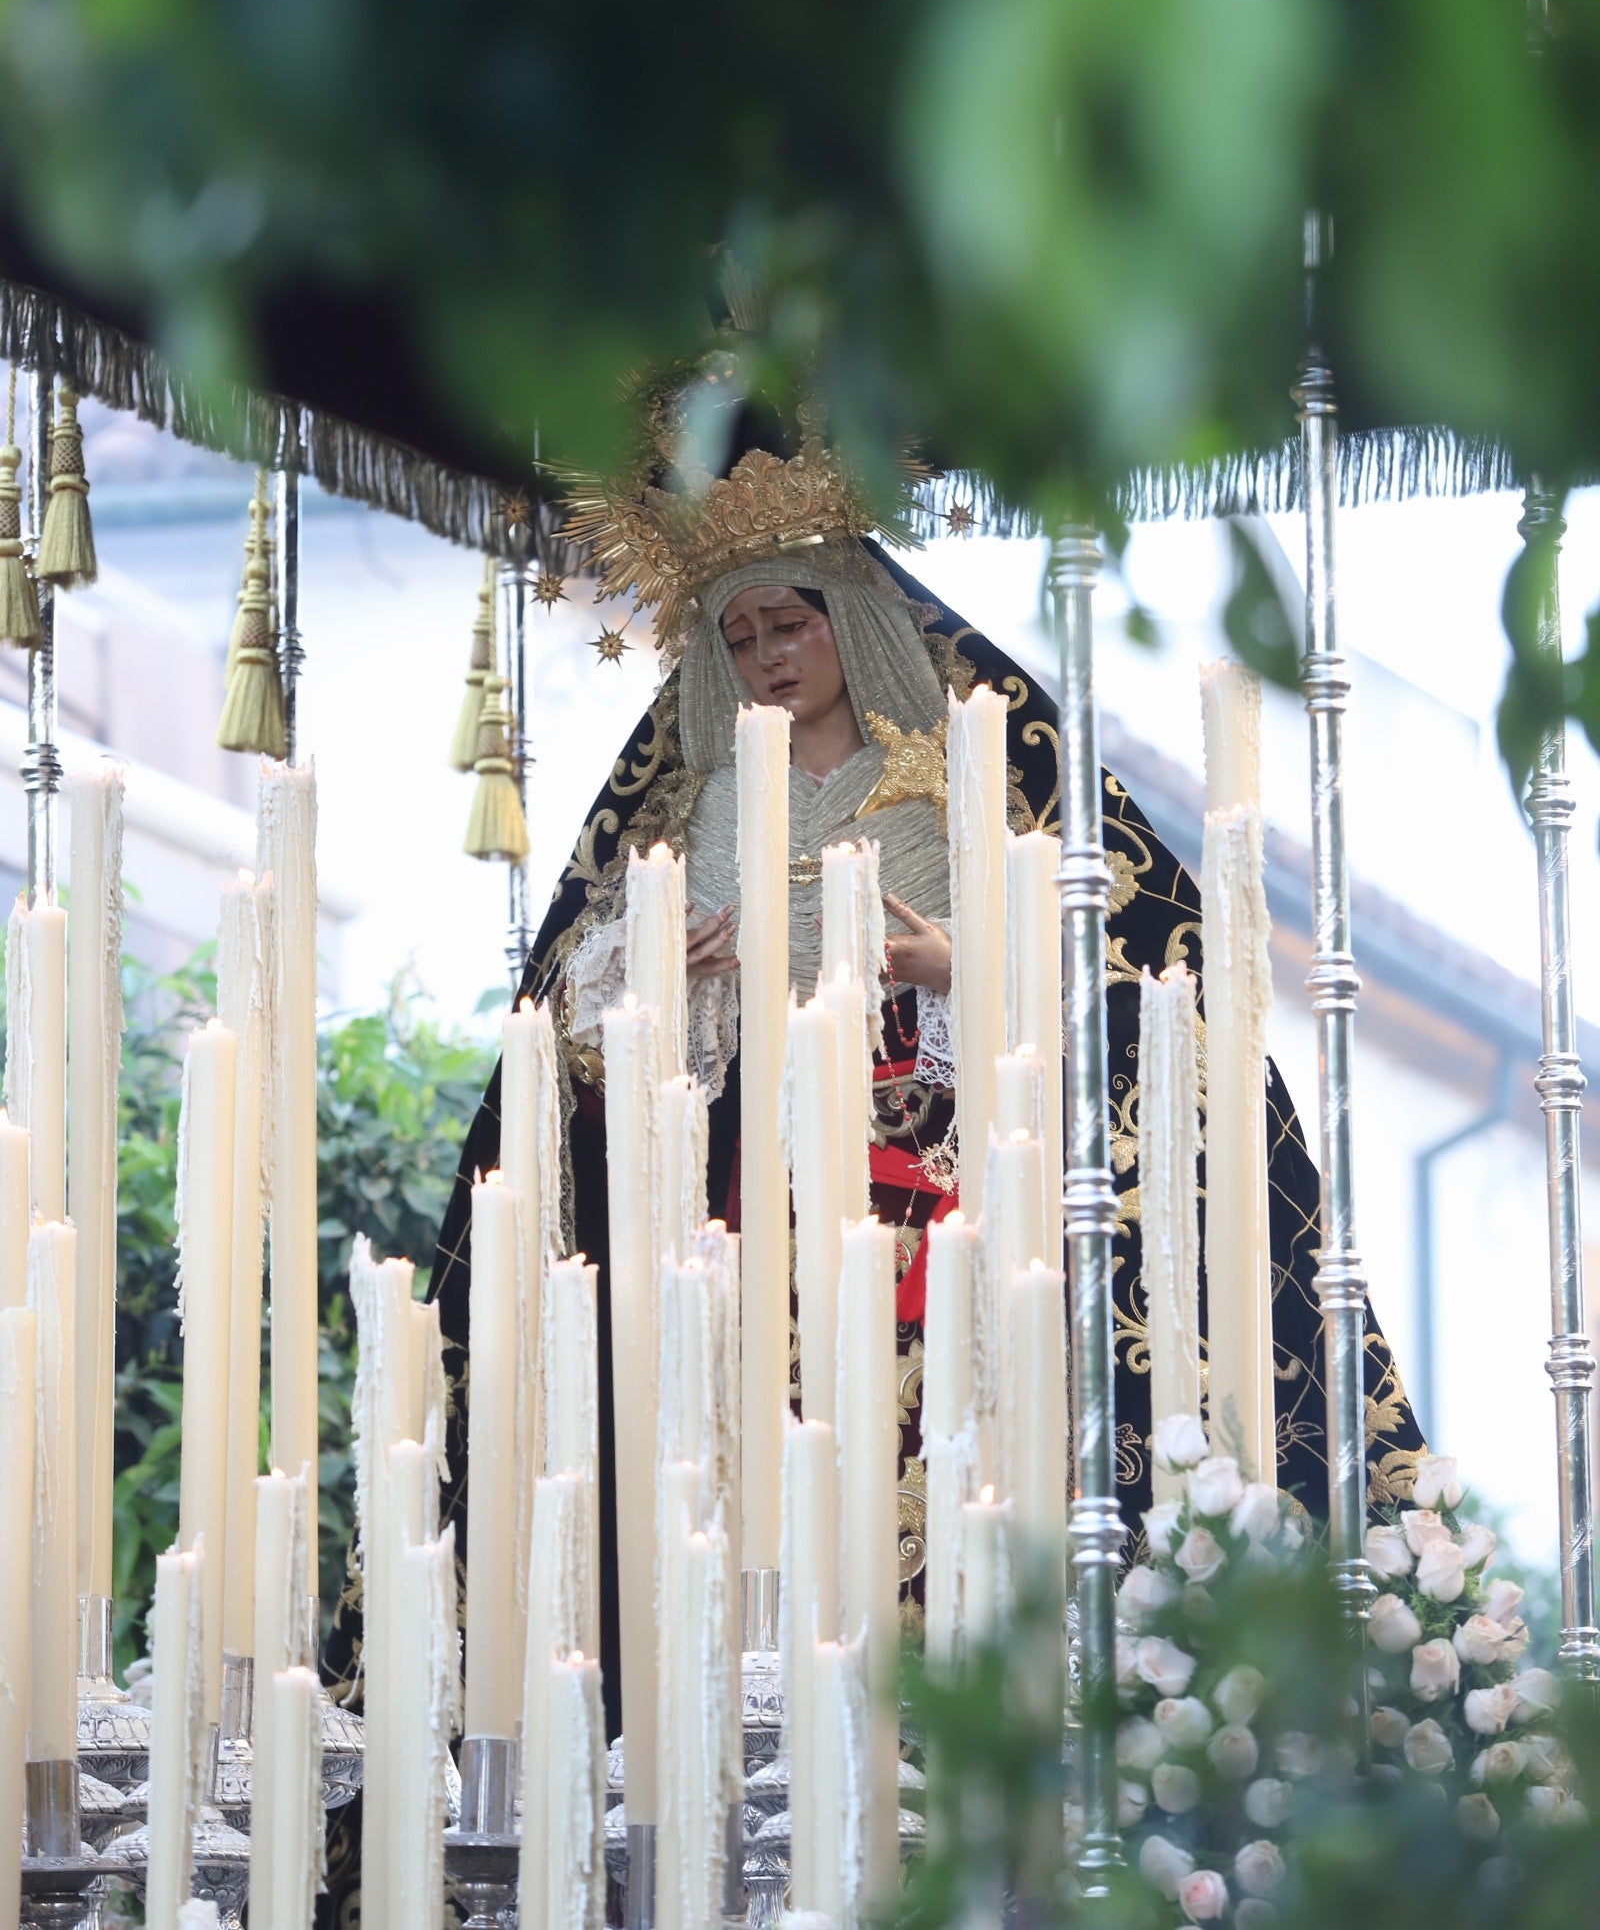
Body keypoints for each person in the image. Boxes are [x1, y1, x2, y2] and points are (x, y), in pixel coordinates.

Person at [321, 420, 1422, 1892]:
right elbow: (576, 1035)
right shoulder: (689, 816)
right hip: (737, 1242)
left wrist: (960, 964)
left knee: (939, 1506)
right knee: (729, 1525)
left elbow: (1138, 998)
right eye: (738, 637)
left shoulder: (967, 785)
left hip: (938, 1240)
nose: (768, 657)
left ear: (853, 617)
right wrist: (660, 978)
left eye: (790, 622)